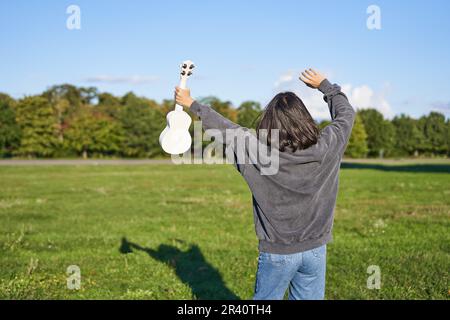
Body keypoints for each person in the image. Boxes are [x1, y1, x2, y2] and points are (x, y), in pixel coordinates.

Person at [174, 69, 356, 300]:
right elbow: (346, 115)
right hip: (316, 250)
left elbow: (226, 130)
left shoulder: (257, 151)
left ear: (269, 122)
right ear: (305, 119)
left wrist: (192, 104)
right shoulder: (329, 145)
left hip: (277, 253)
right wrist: (326, 87)